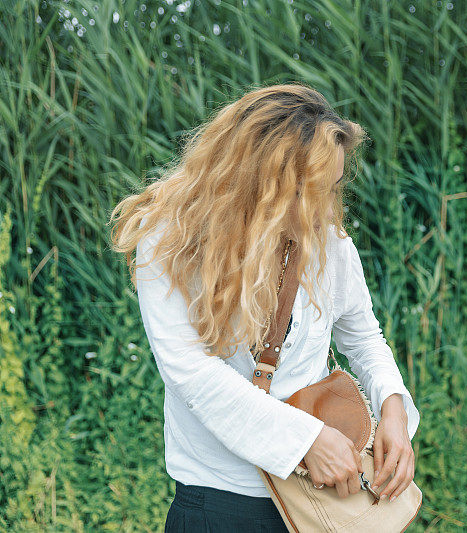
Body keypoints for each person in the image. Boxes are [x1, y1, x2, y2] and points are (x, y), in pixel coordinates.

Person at [108, 83, 420, 532]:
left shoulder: (328, 241)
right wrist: (305, 440)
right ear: (259, 183)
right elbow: (191, 373)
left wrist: (391, 406)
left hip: (321, 501)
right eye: (312, 192)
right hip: (218, 504)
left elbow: (364, 336)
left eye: (333, 189)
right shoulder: (169, 239)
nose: (327, 211)